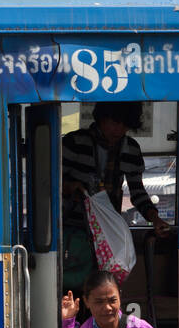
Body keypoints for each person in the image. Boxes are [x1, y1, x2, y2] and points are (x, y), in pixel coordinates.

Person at [61, 101, 171, 299]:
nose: (118, 130)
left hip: (106, 235)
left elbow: (137, 192)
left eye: (124, 125)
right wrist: (71, 187)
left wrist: (155, 219)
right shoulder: (74, 142)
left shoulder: (131, 150)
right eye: (114, 122)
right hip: (72, 231)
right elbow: (49, 183)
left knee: (102, 291)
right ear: (101, 118)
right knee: (73, 290)